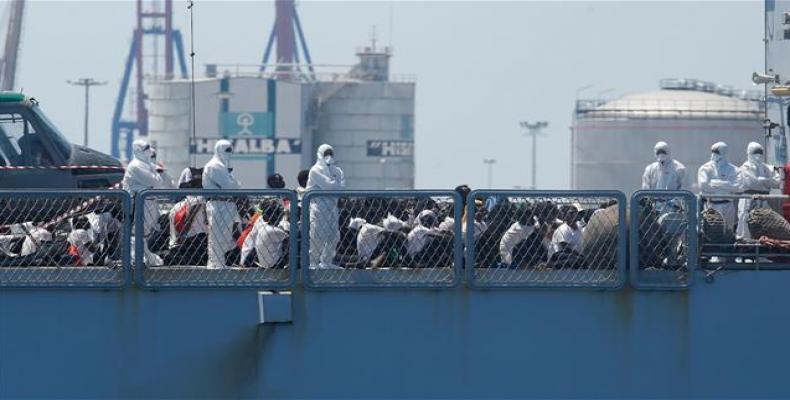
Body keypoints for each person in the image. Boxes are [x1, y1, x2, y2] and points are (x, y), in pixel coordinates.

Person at [123, 139, 167, 266]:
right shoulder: (135, 166)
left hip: (150, 201)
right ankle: (135, 258)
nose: (149, 151)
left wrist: (157, 175)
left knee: (145, 232)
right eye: (145, 149)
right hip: (139, 202)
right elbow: (155, 182)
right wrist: (157, 175)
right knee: (137, 231)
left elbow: (160, 182)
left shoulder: (147, 165)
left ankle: (144, 256)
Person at [202, 139, 242, 268]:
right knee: (217, 236)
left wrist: (234, 182)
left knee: (224, 237)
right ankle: (216, 264)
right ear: (219, 150)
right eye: (227, 150)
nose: (230, 153)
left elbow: (233, 185)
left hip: (225, 204)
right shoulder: (215, 166)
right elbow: (230, 186)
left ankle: (217, 263)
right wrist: (235, 182)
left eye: (231, 150)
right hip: (219, 204)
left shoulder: (222, 166)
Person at [307, 144, 346, 269]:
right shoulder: (315, 170)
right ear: (320, 154)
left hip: (333, 207)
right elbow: (329, 187)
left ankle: (326, 262)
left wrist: (334, 186)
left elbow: (342, 188)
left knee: (334, 236)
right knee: (317, 236)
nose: (328, 156)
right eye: (326, 153)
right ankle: (312, 263)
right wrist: (335, 185)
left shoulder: (337, 170)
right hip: (319, 208)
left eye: (330, 153)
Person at [736, 141, 782, 240]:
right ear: (749, 153)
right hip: (748, 199)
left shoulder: (768, 168)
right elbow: (751, 182)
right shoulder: (744, 168)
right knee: (745, 221)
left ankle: (761, 248)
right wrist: (766, 182)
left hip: (764, 199)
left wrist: (762, 180)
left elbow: (777, 182)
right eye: (755, 152)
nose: (758, 155)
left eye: (760, 152)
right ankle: (745, 247)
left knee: (765, 223)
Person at [698, 142, 739, 228]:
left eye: (718, 152)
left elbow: (738, 187)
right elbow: (704, 186)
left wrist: (716, 183)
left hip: (728, 205)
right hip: (711, 206)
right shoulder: (705, 169)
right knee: (711, 232)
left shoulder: (733, 170)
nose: (715, 155)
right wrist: (727, 186)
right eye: (713, 152)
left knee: (728, 232)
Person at [251, 200, 290, 268]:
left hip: (264, 263)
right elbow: (289, 237)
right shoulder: (275, 230)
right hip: (274, 264)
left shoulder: (263, 227)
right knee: (291, 242)